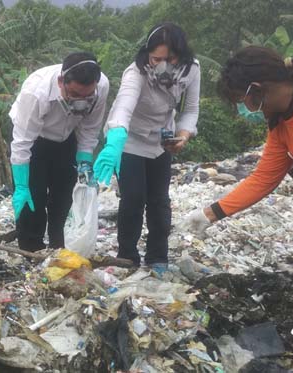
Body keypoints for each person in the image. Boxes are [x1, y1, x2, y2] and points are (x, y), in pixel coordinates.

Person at [181, 46, 293, 372]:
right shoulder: (282, 120)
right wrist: (211, 213)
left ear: (259, 88)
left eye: (245, 101)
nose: (245, 110)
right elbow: (265, 177)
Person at [93, 22, 200, 272]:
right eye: (156, 58)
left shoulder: (191, 69)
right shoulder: (137, 73)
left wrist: (183, 135)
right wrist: (114, 142)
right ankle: (127, 257)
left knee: (159, 200)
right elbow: (123, 108)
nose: (162, 64)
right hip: (130, 139)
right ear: (148, 54)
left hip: (162, 141)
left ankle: (158, 256)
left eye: (169, 59)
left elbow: (190, 109)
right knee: (132, 198)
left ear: (181, 56)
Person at [9, 52, 109, 251]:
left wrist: (85, 161)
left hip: (68, 135)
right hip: (35, 138)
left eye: (86, 96)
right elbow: (22, 144)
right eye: (75, 95)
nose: (81, 100)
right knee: (33, 196)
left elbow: (90, 128)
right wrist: (21, 184)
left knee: (65, 195)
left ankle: (60, 247)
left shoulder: (101, 87)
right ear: (61, 82)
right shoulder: (36, 92)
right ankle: (31, 250)